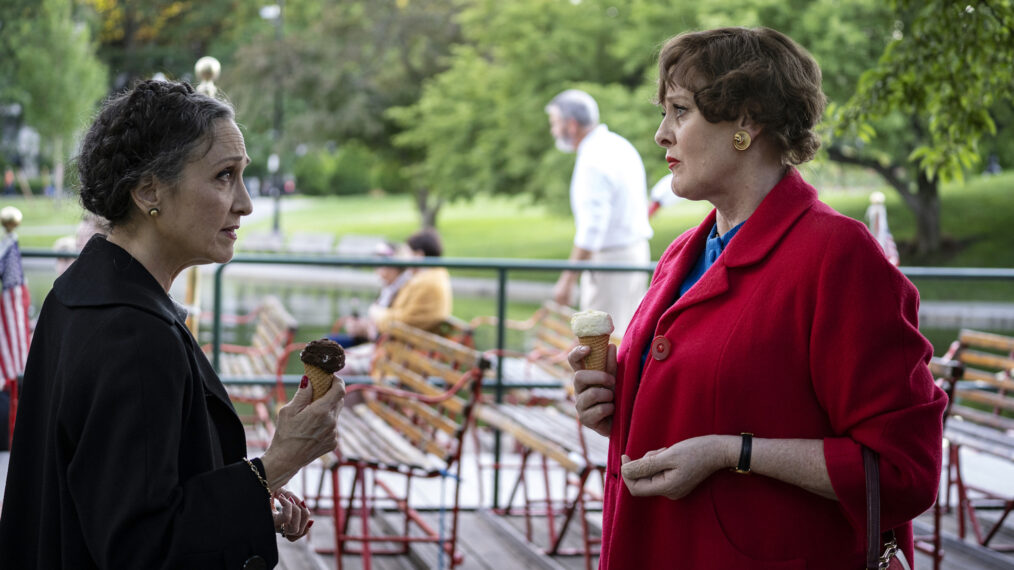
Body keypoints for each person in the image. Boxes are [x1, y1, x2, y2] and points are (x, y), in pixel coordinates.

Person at [569, 27, 946, 568]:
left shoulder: (838, 255)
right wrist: (614, 409)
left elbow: (903, 470)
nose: (661, 135)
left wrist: (732, 453)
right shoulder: (682, 253)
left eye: (679, 111)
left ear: (746, 120)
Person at [0, 79, 346, 569]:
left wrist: (252, 499)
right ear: (148, 191)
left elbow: (115, 500)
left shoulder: (83, 290)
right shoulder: (134, 336)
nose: (245, 203)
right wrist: (277, 464)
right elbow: (141, 549)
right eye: (224, 176)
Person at [545, 89, 653, 338]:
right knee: (624, 336)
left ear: (571, 125)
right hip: (633, 256)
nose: (553, 131)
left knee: (599, 346)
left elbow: (593, 228)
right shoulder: (618, 145)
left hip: (611, 263)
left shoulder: (594, 158)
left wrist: (567, 280)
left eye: (554, 123)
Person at [341, 229, 453, 375]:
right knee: (335, 362)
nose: (403, 260)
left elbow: (401, 323)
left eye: (407, 253)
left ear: (419, 256)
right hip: (402, 351)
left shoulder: (424, 283)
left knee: (336, 367)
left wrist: (376, 313)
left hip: (402, 357)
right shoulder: (427, 279)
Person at [327, 240, 413, 347]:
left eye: (380, 264)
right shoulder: (389, 288)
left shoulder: (402, 288)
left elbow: (388, 329)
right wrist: (361, 326)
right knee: (328, 343)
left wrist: (365, 328)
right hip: (375, 342)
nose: (376, 270)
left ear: (393, 266)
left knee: (328, 348)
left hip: (384, 348)